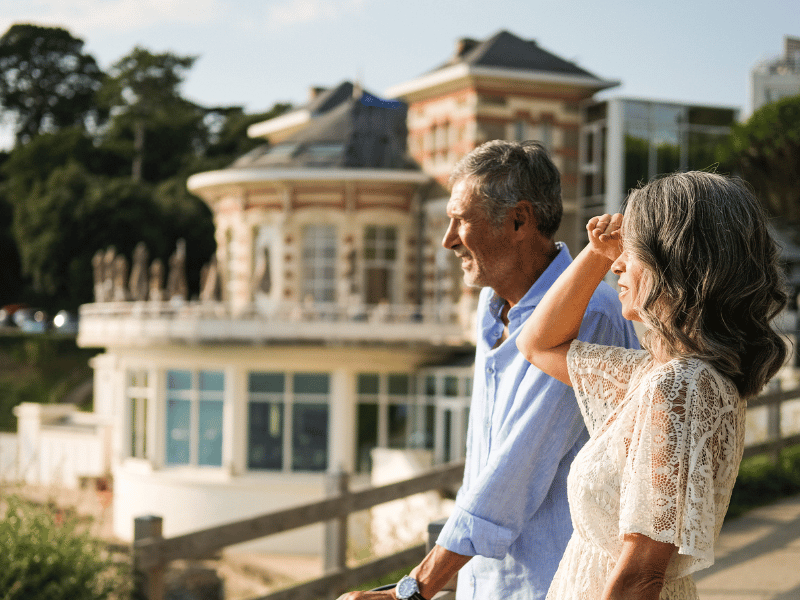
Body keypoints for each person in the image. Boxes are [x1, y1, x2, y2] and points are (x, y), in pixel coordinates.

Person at [339, 140, 639, 600]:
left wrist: (413, 590)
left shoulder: (588, 316)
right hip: (489, 586)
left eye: (461, 220)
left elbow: (511, 474)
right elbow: (484, 471)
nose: (449, 239)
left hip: (558, 585)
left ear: (519, 220)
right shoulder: (491, 307)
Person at [516, 171, 788, 600]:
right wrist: (596, 253)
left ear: (677, 264)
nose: (618, 264)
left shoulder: (681, 387)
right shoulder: (659, 377)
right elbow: (536, 343)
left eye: (632, 250)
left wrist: (598, 257)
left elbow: (641, 575)